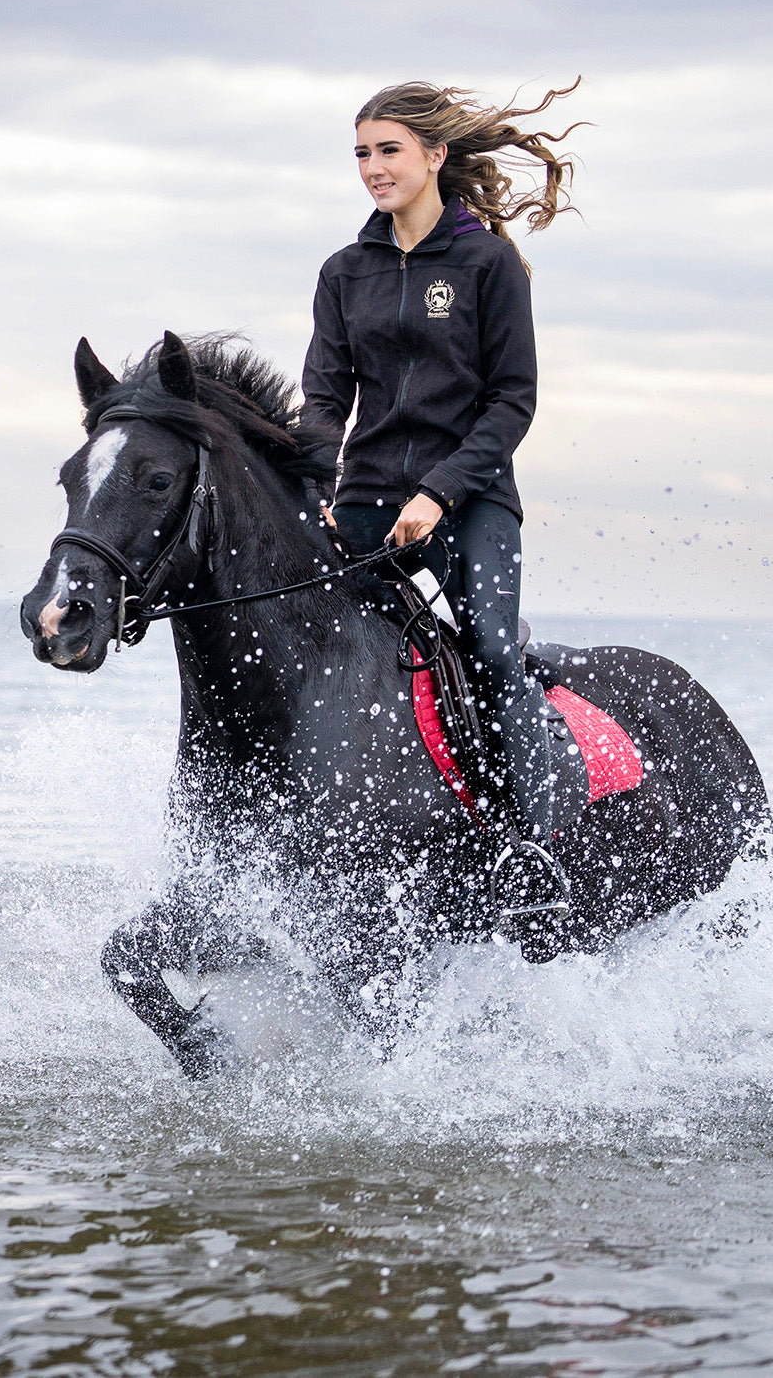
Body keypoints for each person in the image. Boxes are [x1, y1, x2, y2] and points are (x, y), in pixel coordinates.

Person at [301, 80, 588, 927]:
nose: (372, 167)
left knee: (494, 648)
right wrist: (319, 484)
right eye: (361, 152)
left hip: (472, 497)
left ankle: (527, 844)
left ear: (436, 156)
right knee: (314, 649)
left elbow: (512, 401)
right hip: (364, 499)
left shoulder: (486, 263)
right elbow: (325, 397)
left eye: (388, 149)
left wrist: (438, 493)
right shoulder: (343, 271)